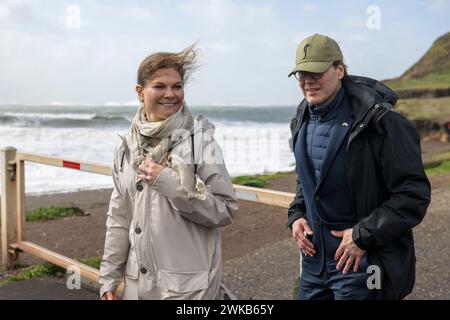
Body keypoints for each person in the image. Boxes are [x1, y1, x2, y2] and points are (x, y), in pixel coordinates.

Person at [287, 34, 431, 300]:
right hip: (313, 265)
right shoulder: (301, 118)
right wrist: (296, 216)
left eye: (316, 72)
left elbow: (413, 195)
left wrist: (362, 236)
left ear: (340, 69)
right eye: (302, 74)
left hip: (361, 265)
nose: (308, 80)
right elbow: (306, 181)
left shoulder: (382, 122)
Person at [99, 45, 238, 300]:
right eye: (160, 86)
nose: (170, 94)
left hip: (188, 290)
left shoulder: (201, 143)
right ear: (140, 92)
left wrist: (168, 181)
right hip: (137, 287)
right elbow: (119, 219)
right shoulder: (126, 148)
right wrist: (108, 279)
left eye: (177, 86)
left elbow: (225, 209)